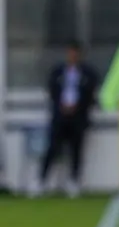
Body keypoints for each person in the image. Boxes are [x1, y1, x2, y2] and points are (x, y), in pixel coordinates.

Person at [36, 42, 98, 198]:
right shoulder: (58, 72)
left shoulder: (87, 73)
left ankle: (74, 182)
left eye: (75, 53)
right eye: (70, 53)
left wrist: (77, 106)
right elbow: (51, 91)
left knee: (76, 150)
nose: (73, 56)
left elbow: (91, 94)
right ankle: (42, 181)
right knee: (52, 148)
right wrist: (62, 105)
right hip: (60, 116)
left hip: (78, 117)